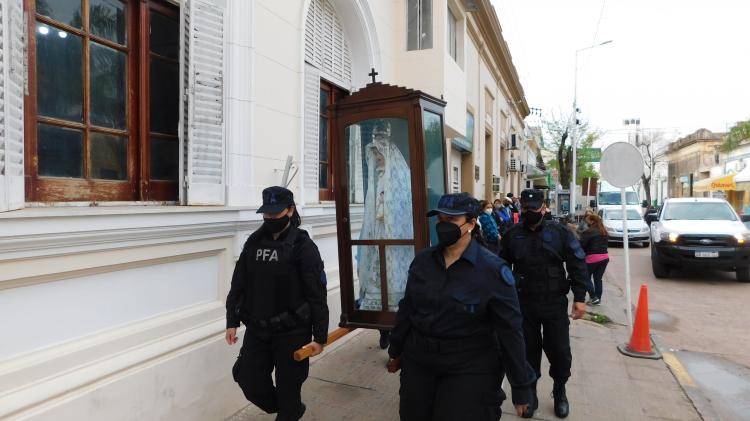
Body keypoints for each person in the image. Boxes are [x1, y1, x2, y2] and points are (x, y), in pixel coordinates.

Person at [387, 193, 535, 421]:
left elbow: (510, 331)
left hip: (469, 366)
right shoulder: (422, 262)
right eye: (441, 220)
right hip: (420, 362)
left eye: (452, 220)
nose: (444, 226)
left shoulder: (492, 271)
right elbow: (408, 309)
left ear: (471, 224)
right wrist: (395, 350)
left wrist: (521, 386)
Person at [225, 186, 329, 421]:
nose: (271, 218)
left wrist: (320, 337)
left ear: (290, 210)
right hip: (258, 328)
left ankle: (289, 410)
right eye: (267, 214)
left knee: (288, 389)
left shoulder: (303, 247)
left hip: (292, 331)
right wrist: (232, 320)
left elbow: (316, 294)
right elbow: (238, 283)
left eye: (276, 213)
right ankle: (288, 408)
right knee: (247, 378)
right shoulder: (253, 242)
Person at [499, 189, 588, 419]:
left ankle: (560, 391)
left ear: (544, 207)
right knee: (527, 353)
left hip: (554, 304)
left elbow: (577, 262)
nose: (529, 212)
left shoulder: (560, 233)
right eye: (525, 208)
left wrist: (579, 298)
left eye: (534, 208)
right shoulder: (512, 235)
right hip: (523, 304)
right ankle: (530, 393)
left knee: (559, 352)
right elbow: (499, 268)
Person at [356, 121, 415, 349]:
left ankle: (397, 331)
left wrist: (389, 214)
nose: (377, 159)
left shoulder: (401, 178)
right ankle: (383, 329)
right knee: (378, 285)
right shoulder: (376, 179)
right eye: (375, 156)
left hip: (395, 239)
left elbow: (404, 209)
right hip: (378, 237)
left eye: (379, 155)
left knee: (394, 285)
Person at [579, 214, 609, 305]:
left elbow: (581, 245)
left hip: (592, 258)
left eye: (588, 221)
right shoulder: (604, 231)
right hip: (604, 257)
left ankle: (593, 296)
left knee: (585, 277)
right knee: (598, 279)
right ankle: (598, 299)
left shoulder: (589, 232)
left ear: (592, 221)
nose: (586, 222)